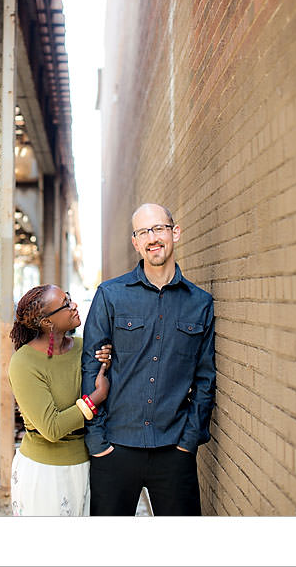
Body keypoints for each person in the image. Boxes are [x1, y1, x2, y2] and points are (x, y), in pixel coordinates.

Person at [81, 203, 216, 515]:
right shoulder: (110, 295)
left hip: (174, 450)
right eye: (144, 232)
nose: (152, 238)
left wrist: (189, 441)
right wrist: (98, 442)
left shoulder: (200, 304)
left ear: (175, 233)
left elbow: (206, 378)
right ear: (135, 242)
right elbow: (91, 366)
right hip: (115, 447)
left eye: (159, 228)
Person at [7, 285, 111, 516]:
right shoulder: (24, 363)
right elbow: (52, 428)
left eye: (71, 299)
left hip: (86, 465)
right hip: (44, 473)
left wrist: (107, 362)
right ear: (47, 323)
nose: (74, 305)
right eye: (66, 304)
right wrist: (95, 399)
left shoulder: (85, 348)